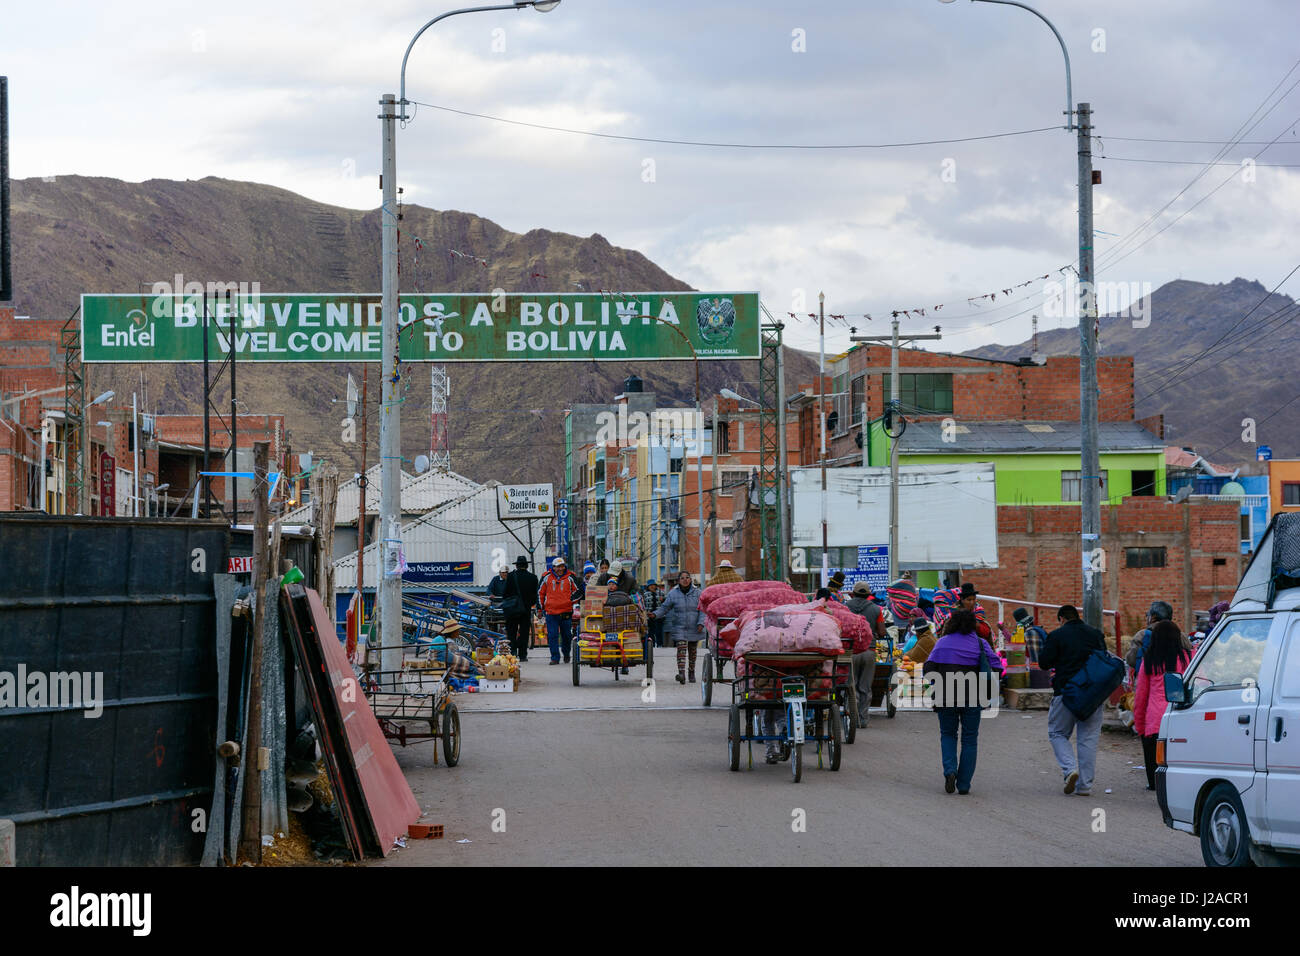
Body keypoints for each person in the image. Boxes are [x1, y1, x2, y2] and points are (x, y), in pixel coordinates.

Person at [923, 607, 1004, 794]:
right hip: (973, 697)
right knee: (969, 740)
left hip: (945, 695)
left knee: (948, 734)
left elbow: (928, 670)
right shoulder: (980, 643)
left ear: (952, 623)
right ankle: (964, 784)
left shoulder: (942, 643)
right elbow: (998, 667)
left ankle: (950, 771)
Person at [1039, 604, 1108, 796]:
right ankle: (1085, 786)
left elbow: (1044, 662)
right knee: (1088, 738)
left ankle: (1070, 770)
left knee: (1057, 733)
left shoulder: (1058, 635)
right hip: (1093, 694)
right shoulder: (1095, 634)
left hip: (1066, 692)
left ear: (1061, 618)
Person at [1132, 619, 1192, 790]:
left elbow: (1141, 696)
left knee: (1154, 756)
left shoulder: (1150, 660)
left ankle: (1155, 783)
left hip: (1155, 719)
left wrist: (1140, 725)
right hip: (1181, 716)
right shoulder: (1188, 657)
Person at [846, 582, 887, 729]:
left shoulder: (845, 607)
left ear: (854, 593)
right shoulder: (876, 609)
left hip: (850, 652)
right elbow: (882, 632)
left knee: (852, 685)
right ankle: (863, 720)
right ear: (868, 594)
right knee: (865, 687)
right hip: (869, 651)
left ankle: (852, 717)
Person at [654, 571, 703, 683]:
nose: (685, 580)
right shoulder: (673, 594)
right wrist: (655, 614)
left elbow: (702, 610)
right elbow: (665, 608)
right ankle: (681, 673)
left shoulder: (698, 593)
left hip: (694, 626)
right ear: (678, 581)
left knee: (692, 651)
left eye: (687, 577)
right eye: (682, 578)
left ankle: (691, 671)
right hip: (679, 626)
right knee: (681, 649)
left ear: (690, 580)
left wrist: (701, 623)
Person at [1124, 600, 1191, 672]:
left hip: (1149, 679)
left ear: (1153, 617)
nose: (1146, 618)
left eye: (1147, 615)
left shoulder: (1142, 635)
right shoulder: (1182, 636)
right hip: (1175, 679)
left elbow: (1131, 660)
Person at [538, 556, 582, 665]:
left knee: (566, 635)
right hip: (550, 612)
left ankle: (566, 653)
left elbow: (579, 592)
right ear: (553, 567)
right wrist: (539, 608)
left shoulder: (571, 576)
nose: (560, 569)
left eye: (562, 566)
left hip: (566, 612)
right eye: (557, 567)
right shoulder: (546, 577)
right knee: (552, 635)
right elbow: (540, 593)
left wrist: (570, 600)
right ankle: (555, 658)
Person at [502, 557, 539, 662]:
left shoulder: (511, 576)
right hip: (526, 609)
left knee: (511, 632)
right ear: (526, 566)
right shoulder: (533, 578)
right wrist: (527, 603)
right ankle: (523, 655)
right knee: (524, 632)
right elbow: (534, 596)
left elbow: (505, 593)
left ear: (516, 566)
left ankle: (513, 653)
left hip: (512, 609)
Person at [643, 579, 666, 647]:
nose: (652, 587)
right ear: (648, 587)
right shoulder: (645, 594)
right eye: (650, 586)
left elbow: (666, 603)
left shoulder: (661, 593)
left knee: (659, 630)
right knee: (651, 631)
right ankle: (651, 645)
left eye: (653, 585)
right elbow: (643, 605)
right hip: (649, 616)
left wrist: (663, 599)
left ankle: (660, 644)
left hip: (659, 615)